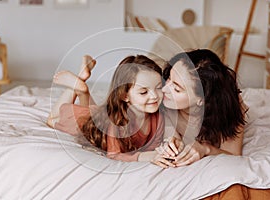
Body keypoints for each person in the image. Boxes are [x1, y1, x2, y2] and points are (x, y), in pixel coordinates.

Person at [47, 55, 181, 164]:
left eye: (158, 88)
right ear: (124, 95)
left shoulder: (159, 117)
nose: (154, 96)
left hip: (97, 116)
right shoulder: (116, 121)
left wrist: (168, 148)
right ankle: (77, 86)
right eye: (143, 92)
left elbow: (162, 142)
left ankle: (83, 91)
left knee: (93, 111)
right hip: (88, 124)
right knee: (52, 120)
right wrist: (150, 156)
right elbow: (114, 155)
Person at [152, 49, 248, 168]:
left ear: (201, 99)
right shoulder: (162, 99)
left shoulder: (228, 110)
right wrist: (171, 145)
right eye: (169, 78)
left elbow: (234, 155)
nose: (165, 89)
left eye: (177, 89)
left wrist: (206, 149)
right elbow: (173, 139)